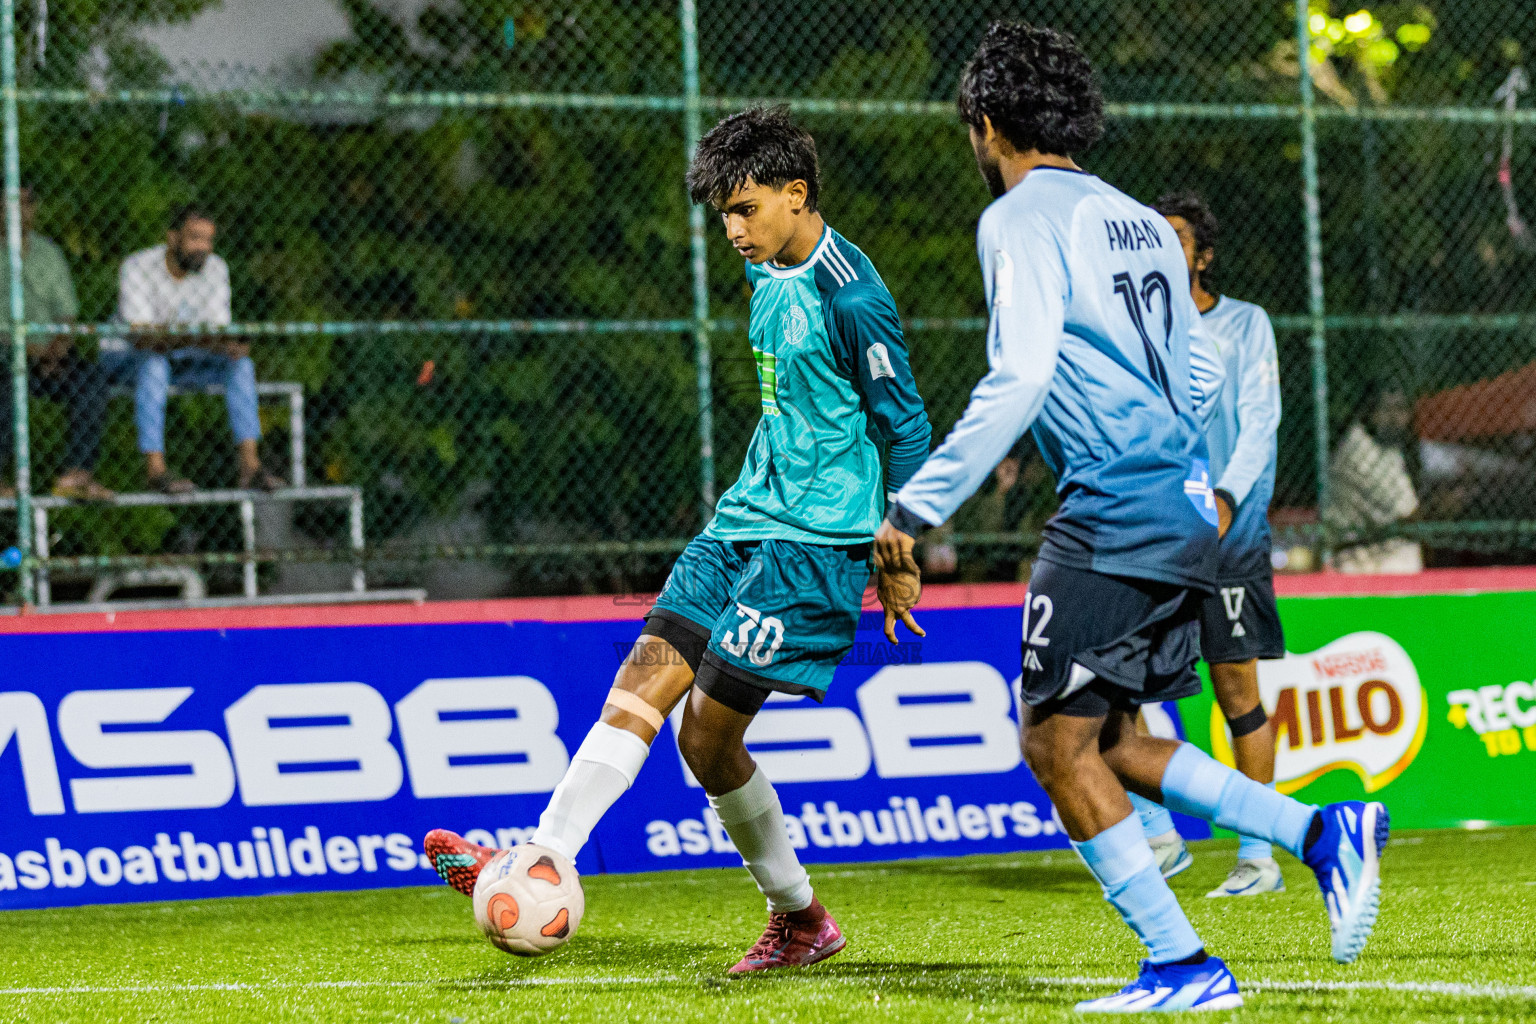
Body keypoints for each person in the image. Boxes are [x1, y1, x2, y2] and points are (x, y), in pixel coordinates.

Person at [873, 23, 1388, 1012]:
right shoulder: (1142, 222)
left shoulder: (1020, 215)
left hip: (1112, 504)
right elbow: (1195, 366)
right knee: (1108, 739)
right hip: (1184, 500)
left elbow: (1019, 372)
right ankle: (1323, 835)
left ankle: (1184, 964)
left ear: (988, 124)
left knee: (1050, 744)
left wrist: (917, 505)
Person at [424, 106, 932, 973]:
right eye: (723, 214)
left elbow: (909, 425)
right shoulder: (769, 266)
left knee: (705, 736)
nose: (732, 231)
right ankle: (542, 855)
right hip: (744, 518)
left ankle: (801, 918)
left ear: (796, 194)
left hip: (816, 544)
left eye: (746, 209)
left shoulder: (851, 292)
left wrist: (901, 543)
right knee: (643, 676)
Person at [1121, 191, 1289, 899]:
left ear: (1203, 252)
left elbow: (1260, 421)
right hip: (1155, 537)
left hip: (1228, 538)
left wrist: (1223, 498)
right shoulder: (1137, 330)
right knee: (1115, 685)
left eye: (1177, 237)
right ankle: (1159, 836)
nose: (1163, 247)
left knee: (1236, 690)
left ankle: (1258, 855)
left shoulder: (1246, 325)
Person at [110, 204, 283, 494]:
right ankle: (155, 470)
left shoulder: (216, 268)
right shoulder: (137, 266)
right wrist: (205, 341)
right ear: (172, 237)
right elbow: (142, 339)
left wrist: (226, 345)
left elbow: (218, 335)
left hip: (186, 358)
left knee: (241, 365)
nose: (203, 247)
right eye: (194, 238)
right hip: (128, 359)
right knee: (154, 363)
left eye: (208, 239)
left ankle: (250, 467)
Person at [0, 184, 115, 500]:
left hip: (49, 356)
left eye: (28, 203)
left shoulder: (48, 253)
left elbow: (67, 314)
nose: (21, 210)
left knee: (91, 379)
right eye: (12, 203)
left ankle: (76, 474)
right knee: (4, 383)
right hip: (7, 353)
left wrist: (57, 349)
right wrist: (28, 349)